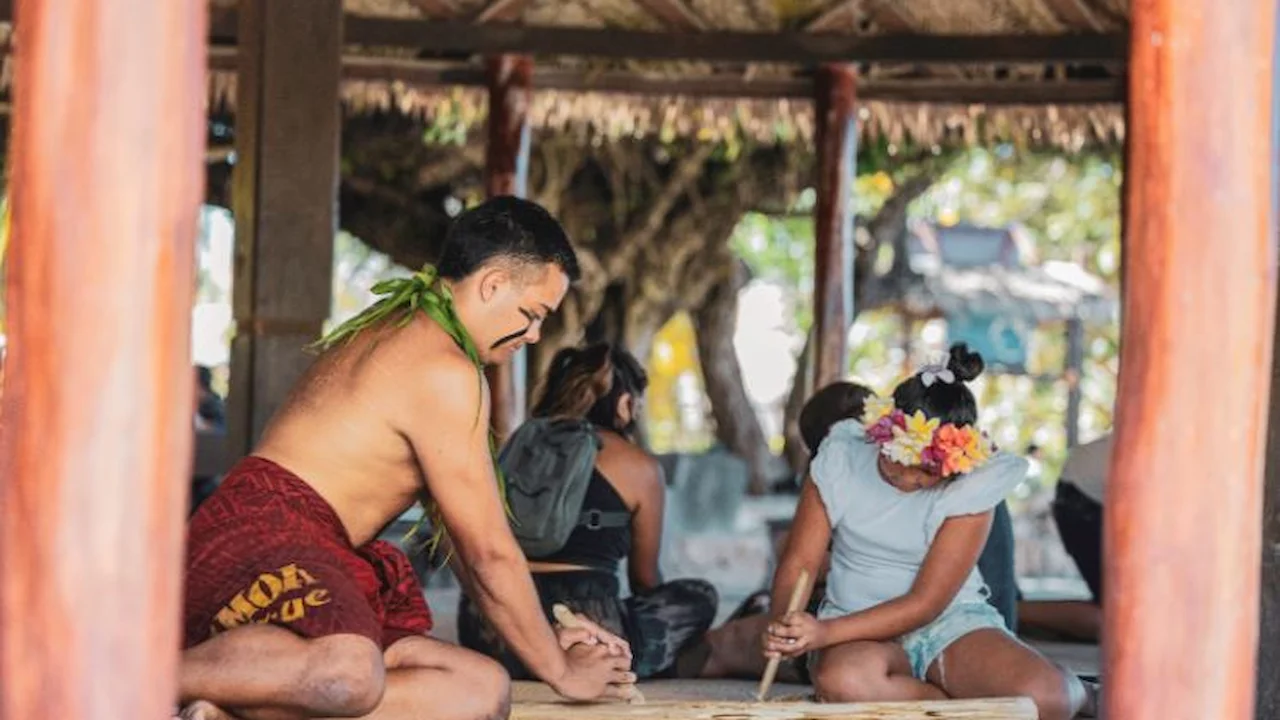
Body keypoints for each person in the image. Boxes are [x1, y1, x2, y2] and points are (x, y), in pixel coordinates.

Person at [177, 197, 636, 720]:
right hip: (260, 540)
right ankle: (148, 676)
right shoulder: (443, 366)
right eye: (532, 315)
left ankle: (226, 707)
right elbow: (488, 551)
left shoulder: (408, 327)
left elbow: (469, 545)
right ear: (491, 286)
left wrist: (548, 633)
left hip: (306, 550)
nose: (533, 335)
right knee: (349, 672)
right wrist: (562, 671)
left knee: (480, 689)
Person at [763, 344, 1095, 720]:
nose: (908, 478)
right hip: (855, 623)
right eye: (898, 462)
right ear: (882, 435)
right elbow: (800, 562)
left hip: (949, 623)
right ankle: (964, 703)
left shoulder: (976, 482)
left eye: (926, 473)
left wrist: (824, 633)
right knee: (846, 682)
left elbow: (926, 602)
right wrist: (783, 624)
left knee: (1047, 700)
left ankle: (1081, 691)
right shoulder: (840, 455)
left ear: (954, 463)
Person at [459, 342, 719, 680]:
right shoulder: (637, 465)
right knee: (700, 596)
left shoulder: (518, 444)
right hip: (587, 628)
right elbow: (644, 579)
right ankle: (631, 662)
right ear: (625, 404)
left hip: (492, 630)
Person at [1018, 433, 1109, 642]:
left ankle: (1010, 610)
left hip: (1086, 485)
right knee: (1123, 619)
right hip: (1083, 495)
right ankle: (1004, 608)